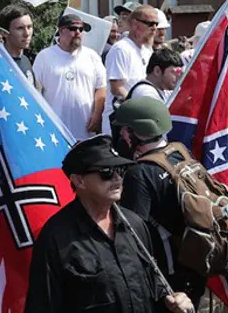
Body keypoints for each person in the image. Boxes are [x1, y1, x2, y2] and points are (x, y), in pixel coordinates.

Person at [24, 134, 194, 313]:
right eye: (106, 173)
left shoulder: (135, 225)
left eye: (120, 171)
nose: (117, 179)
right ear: (78, 180)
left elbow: (154, 286)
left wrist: (174, 302)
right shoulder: (56, 239)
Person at [115, 97, 210, 307]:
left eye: (125, 129)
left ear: (138, 132)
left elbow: (133, 231)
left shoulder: (139, 173)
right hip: (195, 264)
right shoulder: (180, 152)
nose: (122, 134)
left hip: (168, 279)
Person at [33, 13, 106, 140]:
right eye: (73, 28)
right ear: (61, 31)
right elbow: (35, 91)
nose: (77, 32)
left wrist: (97, 115)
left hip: (86, 130)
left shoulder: (92, 56)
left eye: (81, 29)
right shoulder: (44, 56)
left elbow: (101, 88)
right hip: (55, 132)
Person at [102, 5, 157, 135]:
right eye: (150, 23)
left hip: (141, 120)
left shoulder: (147, 50)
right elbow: (117, 88)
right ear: (135, 24)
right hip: (120, 121)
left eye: (156, 24)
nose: (154, 28)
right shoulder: (121, 49)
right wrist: (140, 108)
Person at [0, 4, 39, 90]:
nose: (27, 34)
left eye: (29, 27)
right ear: (4, 32)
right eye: (20, 28)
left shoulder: (25, 61)